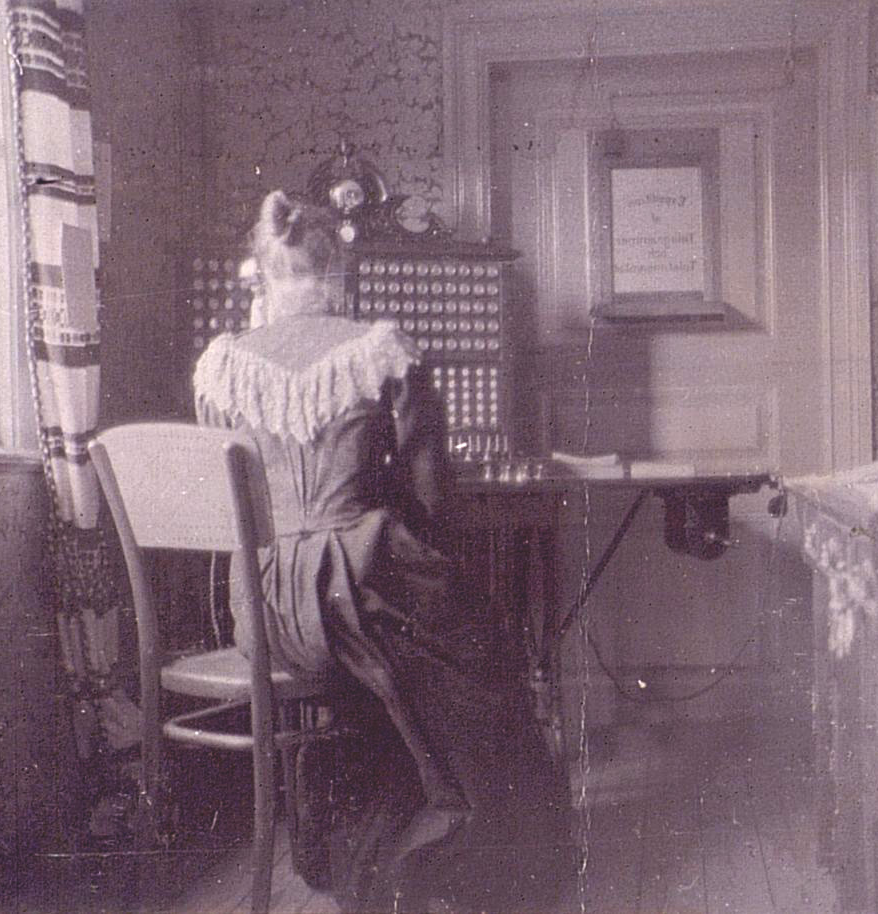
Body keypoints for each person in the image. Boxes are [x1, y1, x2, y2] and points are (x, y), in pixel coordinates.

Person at [192, 189, 570, 913]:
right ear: (338, 273)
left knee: (394, 664)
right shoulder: (380, 352)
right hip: (361, 582)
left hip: (262, 608)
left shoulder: (221, 368)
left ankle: (356, 842)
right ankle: (464, 858)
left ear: (261, 277)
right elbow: (431, 501)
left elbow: (227, 496)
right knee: (480, 657)